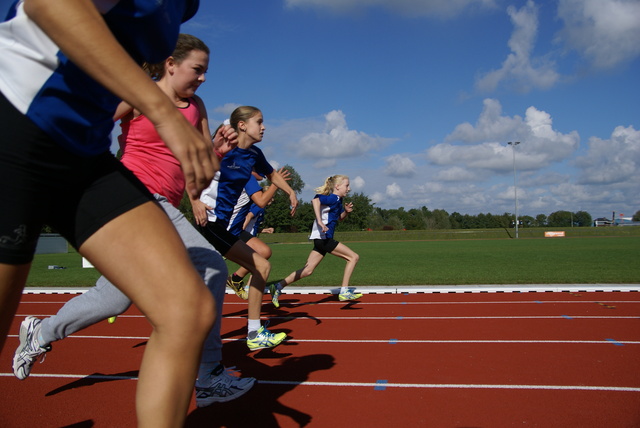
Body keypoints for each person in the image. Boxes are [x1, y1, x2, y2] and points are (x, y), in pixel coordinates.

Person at [0, 2, 219, 426]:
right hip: (17, 124)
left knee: (185, 311)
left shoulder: (185, 6)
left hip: (82, 154)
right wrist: (160, 111)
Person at [194, 106, 298, 351]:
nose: (263, 127)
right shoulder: (221, 149)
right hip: (207, 221)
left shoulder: (253, 154)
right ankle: (253, 332)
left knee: (257, 263)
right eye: (259, 122)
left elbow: (272, 174)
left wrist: (291, 191)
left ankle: (252, 332)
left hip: (221, 226)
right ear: (241, 125)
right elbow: (191, 170)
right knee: (260, 264)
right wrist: (194, 200)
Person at [270, 175, 362, 307]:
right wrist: (319, 221)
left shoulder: (338, 200)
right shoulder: (332, 198)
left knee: (307, 271)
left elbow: (338, 218)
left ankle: (277, 286)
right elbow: (315, 201)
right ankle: (344, 291)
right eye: (347, 185)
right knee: (353, 257)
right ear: (337, 186)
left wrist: (346, 212)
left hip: (320, 240)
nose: (349, 188)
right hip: (324, 238)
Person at [226, 171, 288, 300]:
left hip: (235, 230)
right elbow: (254, 208)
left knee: (264, 252)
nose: (264, 174)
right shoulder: (247, 178)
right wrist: (276, 183)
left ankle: (236, 279)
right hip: (229, 230)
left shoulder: (246, 180)